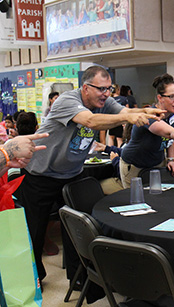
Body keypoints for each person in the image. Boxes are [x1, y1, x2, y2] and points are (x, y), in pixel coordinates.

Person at [16, 66, 165, 286]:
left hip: (71, 174)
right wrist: (131, 118)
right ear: (86, 88)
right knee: (35, 230)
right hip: (40, 175)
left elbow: (122, 113)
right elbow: (90, 122)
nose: (106, 94)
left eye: (109, 89)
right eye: (101, 89)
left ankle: (79, 278)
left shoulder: (105, 102)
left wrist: (141, 113)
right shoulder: (67, 101)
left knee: (77, 227)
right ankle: (31, 279)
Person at [121, 73, 174, 188]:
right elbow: (170, 132)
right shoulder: (149, 115)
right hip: (134, 166)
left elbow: (170, 139)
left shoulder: (172, 115)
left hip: (156, 163)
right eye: (172, 97)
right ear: (160, 98)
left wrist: (171, 159)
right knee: (137, 201)